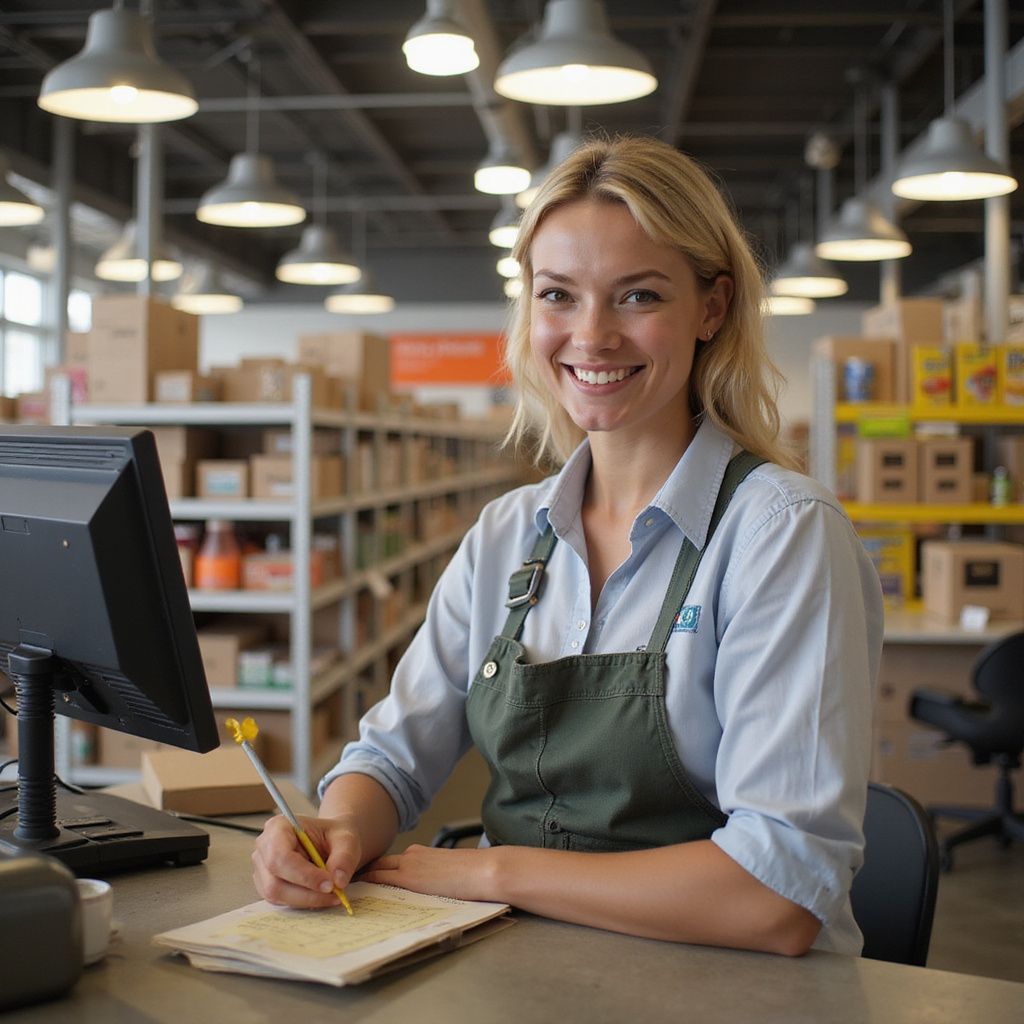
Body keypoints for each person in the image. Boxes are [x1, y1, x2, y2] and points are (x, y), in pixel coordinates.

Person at [253, 135, 883, 958]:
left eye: (638, 297)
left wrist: (494, 873)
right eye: (558, 295)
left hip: (732, 990)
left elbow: (778, 893)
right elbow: (393, 759)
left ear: (712, 309)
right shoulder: (508, 537)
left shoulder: (779, 536)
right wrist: (332, 829)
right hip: (526, 970)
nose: (592, 336)